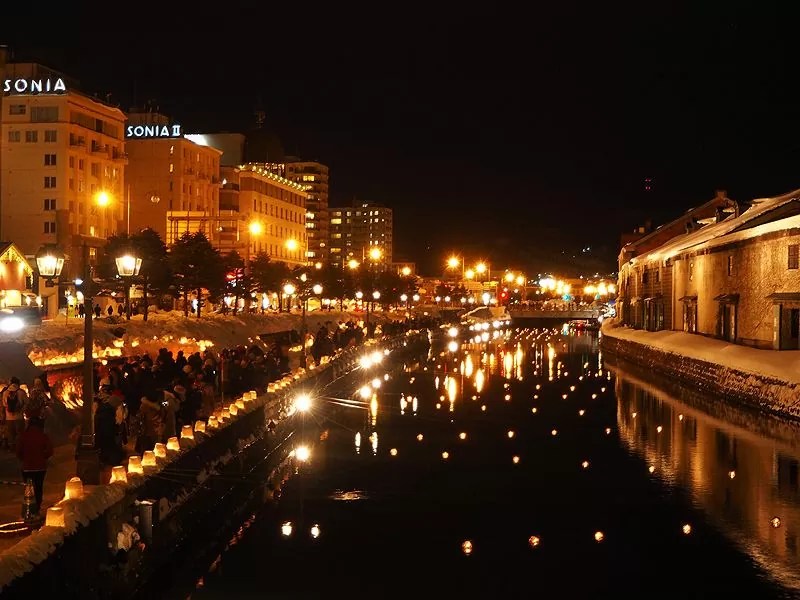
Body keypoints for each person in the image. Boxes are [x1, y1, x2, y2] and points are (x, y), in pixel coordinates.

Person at [16, 417, 53, 515]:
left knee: (28, 488)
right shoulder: (43, 436)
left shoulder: (23, 436)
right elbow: (50, 450)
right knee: (38, 487)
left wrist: (24, 459)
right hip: (40, 467)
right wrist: (42, 456)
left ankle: (29, 508)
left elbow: (18, 451)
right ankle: (37, 508)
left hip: (27, 468)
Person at [3, 378, 27, 449]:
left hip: (9, 418)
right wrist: (22, 410)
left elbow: (4, 404)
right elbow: (27, 403)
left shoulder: (5, 393)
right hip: (19, 417)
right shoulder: (21, 392)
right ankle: (20, 448)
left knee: (11, 434)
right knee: (20, 434)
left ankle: (12, 448)